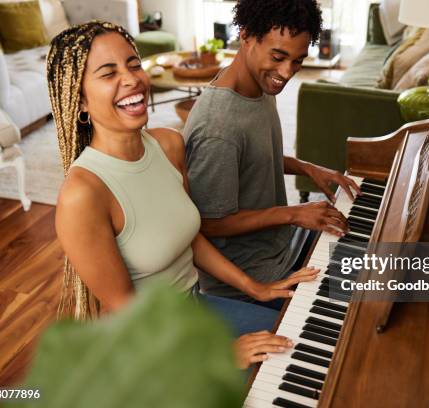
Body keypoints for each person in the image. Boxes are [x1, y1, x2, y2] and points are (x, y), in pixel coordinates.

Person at [47, 21, 319, 368]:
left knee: (298, 344)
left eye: (133, 64)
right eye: (108, 73)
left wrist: (256, 288)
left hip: (195, 307)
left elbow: (190, 238)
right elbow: (125, 312)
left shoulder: (167, 144)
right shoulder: (83, 195)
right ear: (80, 101)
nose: (131, 79)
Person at [184, 0, 361, 306]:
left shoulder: (257, 84)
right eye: (278, 57)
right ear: (245, 35)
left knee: (381, 263)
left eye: (297, 61)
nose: (287, 72)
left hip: (281, 246)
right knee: (365, 301)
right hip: (251, 279)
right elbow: (208, 223)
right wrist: (293, 213)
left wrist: (306, 168)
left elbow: (251, 159)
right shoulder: (218, 126)